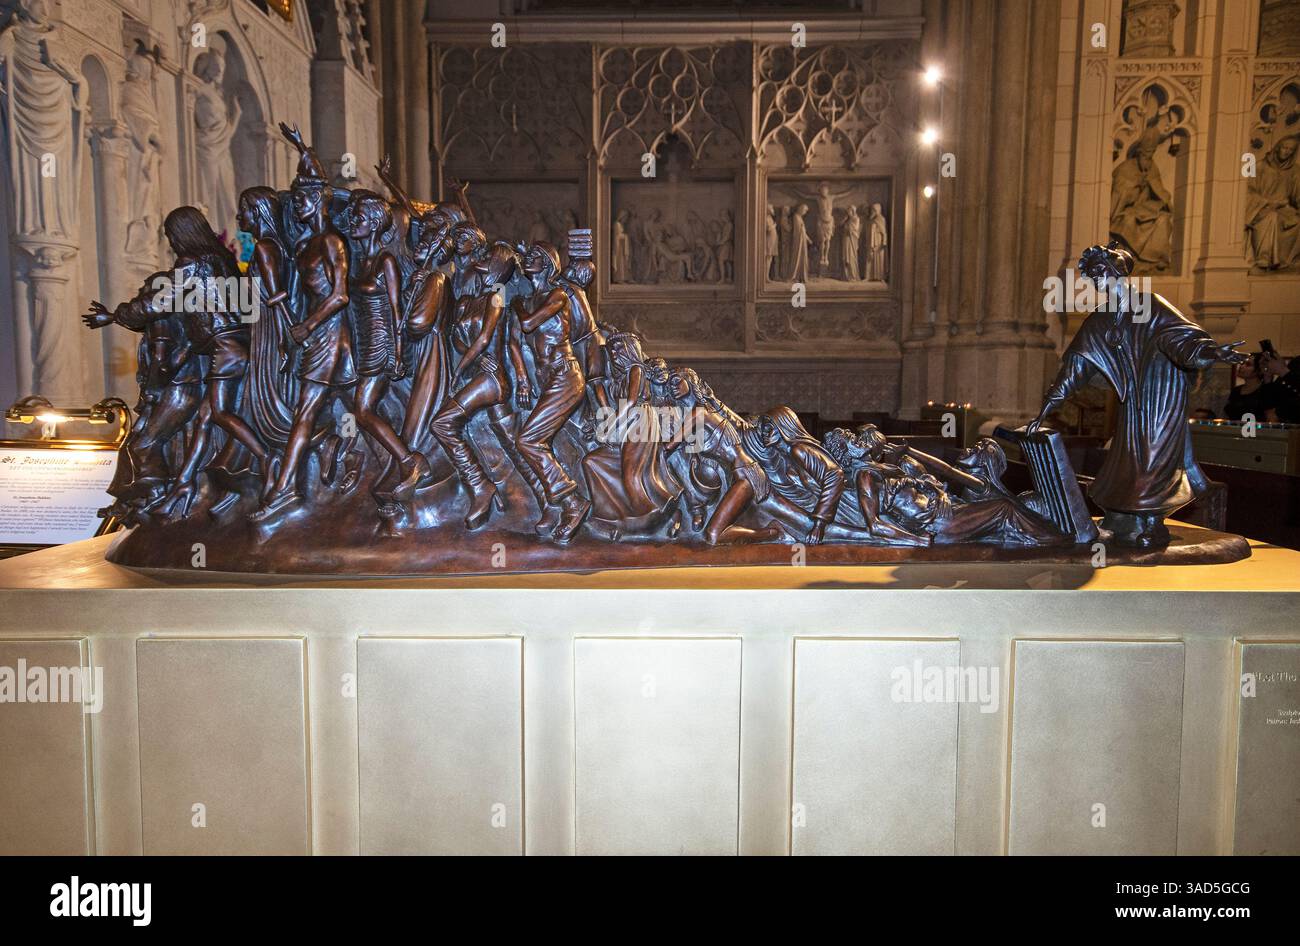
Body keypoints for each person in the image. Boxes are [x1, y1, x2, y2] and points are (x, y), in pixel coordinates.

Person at [1028, 241, 1247, 547]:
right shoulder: (1102, 319)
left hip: (1162, 395)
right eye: (1092, 274)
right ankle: (1122, 517)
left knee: (1153, 458)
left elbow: (1182, 339)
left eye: (1101, 271)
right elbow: (1076, 367)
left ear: (1119, 272)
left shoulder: (1150, 305)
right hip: (1133, 404)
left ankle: (1150, 523)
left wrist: (1211, 352)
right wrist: (1046, 408)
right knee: (1128, 458)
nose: (1096, 279)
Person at [508, 243, 592, 544]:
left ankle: (571, 501)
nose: (528, 259)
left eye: (535, 256)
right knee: (539, 441)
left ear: (547, 264)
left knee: (528, 440)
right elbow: (514, 343)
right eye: (527, 256)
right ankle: (554, 505)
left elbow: (528, 324)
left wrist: (517, 305)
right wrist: (522, 377)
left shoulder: (557, 295)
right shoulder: (528, 298)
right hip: (545, 378)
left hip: (565, 375)